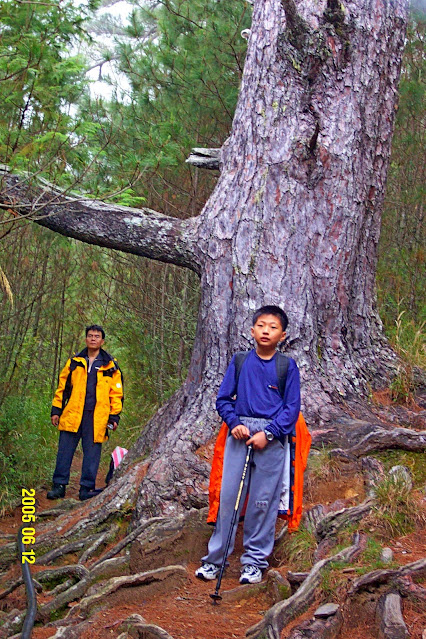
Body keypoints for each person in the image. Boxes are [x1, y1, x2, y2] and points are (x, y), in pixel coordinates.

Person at [196, 305, 301, 585]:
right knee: (229, 497)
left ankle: (254, 562)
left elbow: (291, 409)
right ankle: (215, 560)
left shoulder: (287, 367)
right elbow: (223, 399)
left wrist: (269, 433)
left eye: (273, 327)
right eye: (261, 325)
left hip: (272, 439)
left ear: (283, 334)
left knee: (261, 502)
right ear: (252, 330)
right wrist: (234, 424)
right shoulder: (240, 361)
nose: (266, 331)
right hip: (239, 435)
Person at [47, 325, 123, 501]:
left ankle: (86, 488)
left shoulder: (110, 366)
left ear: (102, 341)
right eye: (90, 335)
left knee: (92, 453)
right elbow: (62, 388)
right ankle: (59, 485)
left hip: (97, 417)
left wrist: (114, 416)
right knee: (65, 450)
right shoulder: (74, 362)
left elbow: (117, 394)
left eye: (97, 336)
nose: (93, 338)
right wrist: (56, 410)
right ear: (86, 339)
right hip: (73, 413)